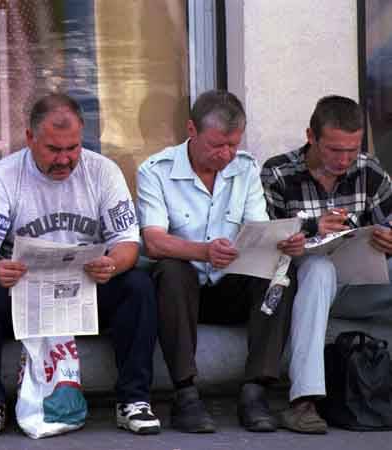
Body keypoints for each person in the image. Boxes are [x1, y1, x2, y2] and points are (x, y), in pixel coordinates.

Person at [0, 93, 160, 437]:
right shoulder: (3, 177)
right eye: (53, 149)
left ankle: (133, 401)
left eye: (73, 148)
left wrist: (112, 263)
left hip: (85, 292)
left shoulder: (103, 172)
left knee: (137, 285)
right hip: (23, 297)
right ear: (30, 138)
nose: (64, 159)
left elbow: (127, 242)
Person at [137, 90, 305, 434]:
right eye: (217, 145)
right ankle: (185, 395)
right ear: (191, 130)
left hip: (230, 285)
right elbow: (153, 242)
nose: (226, 154)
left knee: (280, 272)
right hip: (182, 294)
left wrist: (281, 242)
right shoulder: (155, 170)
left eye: (233, 145)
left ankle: (255, 390)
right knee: (170, 270)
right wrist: (203, 251)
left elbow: (258, 230)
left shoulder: (245, 168)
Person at [261, 95, 392, 434]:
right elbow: (263, 240)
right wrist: (309, 229)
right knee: (319, 269)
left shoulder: (371, 172)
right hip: (304, 282)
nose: (345, 159)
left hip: (361, 281)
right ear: (311, 136)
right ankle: (304, 402)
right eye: (335, 150)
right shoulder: (277, 173)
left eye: (353, 149)